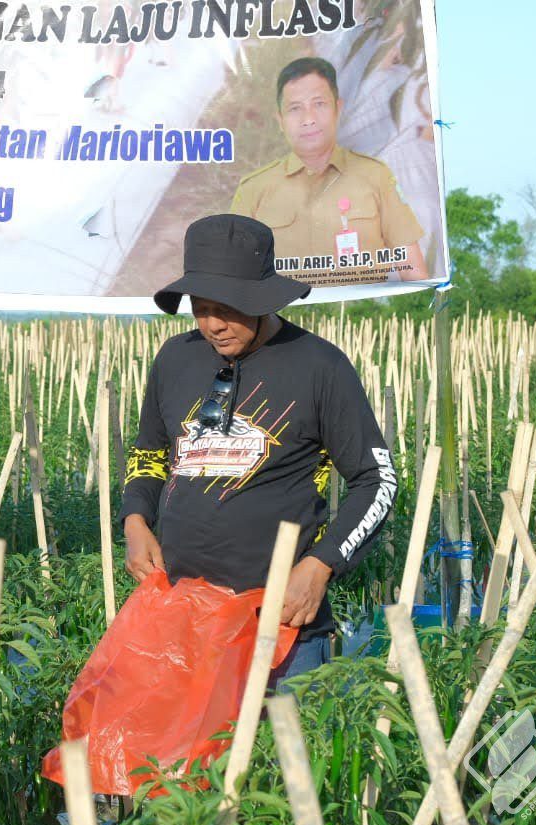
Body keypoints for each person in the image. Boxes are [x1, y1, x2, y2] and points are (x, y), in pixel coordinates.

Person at [119, 213, 397, 689]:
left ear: (264, 301)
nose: (212, 325)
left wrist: (320, 564)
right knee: (181, 765)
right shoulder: (175, 359)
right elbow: (149, 455)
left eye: (228, 308)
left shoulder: (319, 367)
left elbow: (378, 482)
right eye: (201, 308)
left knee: (281, 760)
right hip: (181, 618)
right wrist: (135, 520)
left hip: (280, 627)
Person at [230, 57, 429, 284]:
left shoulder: (376, 176)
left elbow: (414, 272)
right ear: (280, 120)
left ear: (338, 108)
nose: (308, 119)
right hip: (281, 318)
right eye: (295, 108)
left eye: (319, 104)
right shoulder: (254, 190)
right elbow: (234, 280)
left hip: (361, 316)